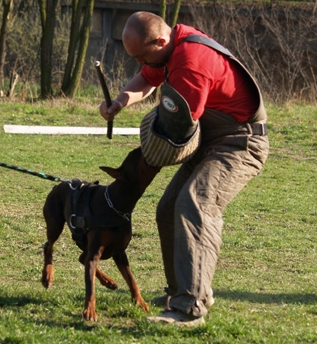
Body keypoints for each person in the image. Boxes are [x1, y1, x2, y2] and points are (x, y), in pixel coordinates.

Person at [99, 11, 269, 327]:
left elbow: (177, 133)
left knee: (195, 204)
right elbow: (148, 77)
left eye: (142, 55)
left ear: (161, 41)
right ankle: (180, 294)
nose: (140, 64)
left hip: (239, 143)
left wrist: (141, 165)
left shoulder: (191, 62)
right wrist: (120, 102)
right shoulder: (169, 46)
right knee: (167, 209)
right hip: (208, 139)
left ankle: (190, 308)